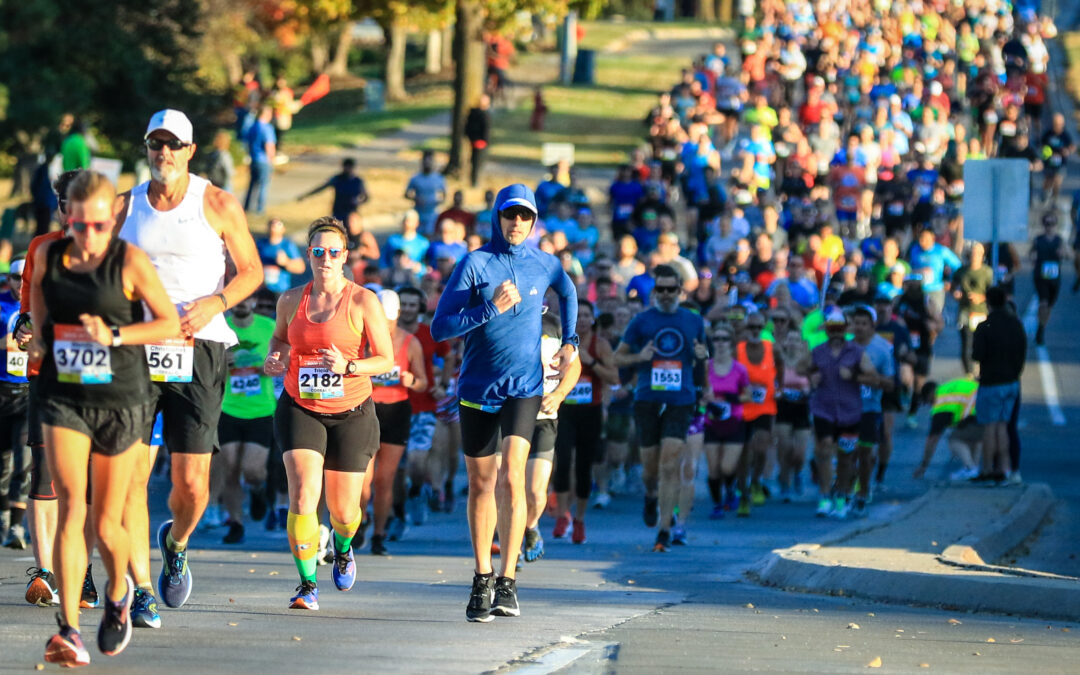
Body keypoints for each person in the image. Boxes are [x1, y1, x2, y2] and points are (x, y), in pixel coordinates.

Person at [28, 171, 180, 666]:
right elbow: (42, 324)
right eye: (78, 225)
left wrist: (112, 335)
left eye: (97, 224)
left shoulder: (128, 260)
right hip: (64, 395)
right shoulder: (48, 256)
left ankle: (119, 593)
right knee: (73, 509)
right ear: (65, 217)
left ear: (112, 217)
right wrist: (42, 343)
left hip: (122, 399)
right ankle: (69, 629)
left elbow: (168, 322)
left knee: (105, 521)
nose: (88, 235)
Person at [116, 109, 263, 616]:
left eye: (174, 144)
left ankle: (175, 545)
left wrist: (215, 303)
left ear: (190, 151)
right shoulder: (125, 206)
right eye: (156, 143)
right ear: (147, 147)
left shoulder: (217, 202)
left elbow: (251, 272)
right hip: (138, 347)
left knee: (192, 485)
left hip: (200, 347)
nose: (164, 153)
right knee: (133, 476)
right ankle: (141, 591)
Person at [431, 183, 578, 622]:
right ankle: (481, 577)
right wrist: (489, 309)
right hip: (477, 388)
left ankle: (508, 581)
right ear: (497, 217)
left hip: (524, 387)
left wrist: (570, 341)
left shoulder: (544, 263)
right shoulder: (476, 263)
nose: (517, 223)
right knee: (481, 483)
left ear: (534, 222)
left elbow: (568, 292)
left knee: (514, 477)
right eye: (510, 215)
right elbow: (441, 327)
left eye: (525, 217)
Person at [262, 217, 394, 610]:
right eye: (318, 252)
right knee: (303, 493)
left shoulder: (362, 300)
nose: (325, 259)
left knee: (344, 510)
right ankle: (306, 584)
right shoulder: (290, 300)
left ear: (345, 257)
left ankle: (343, 545)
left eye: (333, 252)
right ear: (308, 256)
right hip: (301, 406)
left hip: (352, 411)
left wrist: (349, 367)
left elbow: (384, 359)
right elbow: (279, 339)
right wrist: (275, 357)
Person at [613, 264, 707, 551]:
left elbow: (701, 356)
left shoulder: (694, 320)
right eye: (661, 289)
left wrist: (702, 357)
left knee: (671, 463)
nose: (666, 294)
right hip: (647, 398)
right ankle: (650, 495)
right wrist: (640, 356)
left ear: (680, 291)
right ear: (655, 291)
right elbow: (618, 358)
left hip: (681, 398)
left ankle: (665, 528)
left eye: (671, 289)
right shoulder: (641, 321)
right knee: (651, 468)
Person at [362, 289, 426, 555]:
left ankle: (379, 534)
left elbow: (423, 382)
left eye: (388, 321)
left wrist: (413, 381)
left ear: (397, 315)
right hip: (367, 410)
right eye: (380, 320)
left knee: (384, 480)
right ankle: (357, 525)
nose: (384, 327)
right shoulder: (364, 339)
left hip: (396, 411)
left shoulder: (410, 343)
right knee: (362, 479)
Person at [551, 300, 616, 544]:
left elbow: (613, 376)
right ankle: (561, 515)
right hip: (565, 409)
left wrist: (590, 361)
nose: (583, 320)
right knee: (564, 461)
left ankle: (579, 518)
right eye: (579, 315)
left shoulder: (600, 345)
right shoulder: (561, 344)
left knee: (583, 466)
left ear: (593, 319)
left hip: (591, 411)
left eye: (587, 315)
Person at [800, 308, 875, 519]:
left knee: (846, 456)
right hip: (823, 408)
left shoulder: (857, 352)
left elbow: (873, 378)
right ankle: (824, 496)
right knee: (823, 449)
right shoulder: (818, 351)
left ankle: (842, 496)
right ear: (826, 329)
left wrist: (854, 376)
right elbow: (802, 368)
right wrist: (811, 376)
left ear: (846, 329)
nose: (835, 333)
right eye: (832, 328)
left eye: (839, 328)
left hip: (850, 412)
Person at [216, 293, 277, 543]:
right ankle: (236, 523)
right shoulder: (220, 328)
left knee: (252, 471)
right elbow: (204, 363)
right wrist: (221, 361)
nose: (241, 303)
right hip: (228, 408)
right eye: (237, 299)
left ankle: (258, 490)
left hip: (260, 410)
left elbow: (285, 357)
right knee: (230, 469)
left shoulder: (269, 327)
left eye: (246, 299)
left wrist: (270, 365)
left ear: (253, 302)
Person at [522, 309, 581, 562]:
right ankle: (511, 548)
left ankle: (531, 526)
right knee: (508, 485)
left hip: (544, 419)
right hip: (509, 414)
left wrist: (558, 395)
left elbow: (575, 366)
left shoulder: (554, 323)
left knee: (536, 492)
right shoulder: (504, 314)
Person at [397, 286, 450, 526]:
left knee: (418, 462)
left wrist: (444, 384)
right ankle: (396, 513)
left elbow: (448, 355)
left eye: (411, 304)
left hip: (423, 406)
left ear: (419, 308)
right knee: (395, 470)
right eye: (403, 304)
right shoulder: (386, 333)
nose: (407, 309)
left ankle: (417, 491)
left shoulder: (428, 333)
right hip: (391, 406)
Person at [972, 286, 1026, 483]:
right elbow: (1022, 352)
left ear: (988, 303)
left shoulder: (985, 326)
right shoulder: (1016, 325)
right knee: (1004, 426)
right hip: (1011, 382)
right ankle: (1004, 468)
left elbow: (977, 355)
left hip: (991, 383)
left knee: (989, 427)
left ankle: (987, 469)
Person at [849, 306, 894, 517]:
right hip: (846, 409)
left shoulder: (882, 349)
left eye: (864, 324)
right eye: (856, 323)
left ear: (872, 326)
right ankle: (847, 489)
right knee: (848, 452)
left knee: (865, 454)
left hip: (870, 409)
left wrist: (864, 379)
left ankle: (863, 491)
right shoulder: (845, 347)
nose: (859, 327)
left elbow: (890, 384)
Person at [702, 325, 750, 519]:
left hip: (734, 423)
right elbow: (700, 392)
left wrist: (732, 399)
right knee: (713, 469)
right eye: (716, 339)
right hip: (711, 423)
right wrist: (709, 402)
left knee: (727, 467)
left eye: (724, 339)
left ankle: (731, 489)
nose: (720, 343)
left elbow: (748, 395)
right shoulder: (707, 367)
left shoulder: (739, 369)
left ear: (731, 344)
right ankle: (717, 504)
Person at [735, 312, 779, 517]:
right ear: (746, 328)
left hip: (765, 406)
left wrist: (779, 385)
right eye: (751, 327)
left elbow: (782, 365)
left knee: (760, 447)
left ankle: (756, 481)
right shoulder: (739, 349)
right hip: (743, 407)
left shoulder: (771, 348)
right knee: (743, 453)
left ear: (763, 329)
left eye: (758, 327)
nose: (754, 331)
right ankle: (743, 494)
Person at [912, 378, 982, 481]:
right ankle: (974, 469)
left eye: (928, 402)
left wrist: (924, 465)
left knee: (953, 440)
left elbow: (932, 440)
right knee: (974, 437)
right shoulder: (947, 389)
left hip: (978, 411)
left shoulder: (941, 403)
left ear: (930, 395)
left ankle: (970, 468)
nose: (930, 405)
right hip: (987, 405)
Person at [299, 158, 369, 234]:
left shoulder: (358, 181)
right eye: (346, 167)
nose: (348, 169)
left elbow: (366, 197)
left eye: (350, 167)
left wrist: (358, 201)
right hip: (338, 212)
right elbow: (322, 187)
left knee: (354, 234)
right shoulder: (337, 179)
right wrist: (306, 195)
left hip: (352, 213)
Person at [954, 242, 993, 374]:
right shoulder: (961, 271)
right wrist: (955, 293)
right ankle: (969, 374)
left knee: (982, 344)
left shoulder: (987, 272)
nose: (975, 256)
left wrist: (981, 297)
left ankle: (982, 371)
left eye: (978, 254)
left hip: (981, 313)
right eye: (973, 253)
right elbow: (953, 286)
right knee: (966, 345)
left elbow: (994, 293)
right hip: (965, 311)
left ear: (983, 255)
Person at [1031, 212, 1068, 346]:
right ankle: (1040, 332)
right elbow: (1031, 254)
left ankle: (1042, 325)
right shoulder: (1038, 240)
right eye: (1047, 224)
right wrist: (1033, 256)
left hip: (1054, 278)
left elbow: (1067, 255)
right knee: (1044, 303)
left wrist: (1063, 253)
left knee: (1049, 305)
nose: (1049, 227)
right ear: (1043, 225)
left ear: (1055, 225)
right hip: (1041, 277)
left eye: (1052, 224)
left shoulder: (1059, 240)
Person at [256, 218, 306, 296]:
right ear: (267, 227)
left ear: (283, 229)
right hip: (260, 288)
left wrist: (286, 262)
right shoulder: (260, 244)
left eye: (278, 224)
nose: (274, 226)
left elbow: (300, 268)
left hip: (279, 290)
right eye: (272, 223)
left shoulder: (287, 245)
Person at [243, 105, 277, 215]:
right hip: (264, 160)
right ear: (266, 114)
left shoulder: (253, 126)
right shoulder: (267, 128)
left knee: (252, 184)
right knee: (263, 185)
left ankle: (247, 206)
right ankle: (260, 209)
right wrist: (271, 161)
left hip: (254, 159)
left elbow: (247, 143)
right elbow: (269, 145)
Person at [405, 151, 447, 236]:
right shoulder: (415, 178)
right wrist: (416, 198)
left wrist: (438, 201)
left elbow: (444, 195)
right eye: (425, 162)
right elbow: (406, 194)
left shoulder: (439, 178)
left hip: (432, 214)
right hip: (418, 212)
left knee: (430, 236)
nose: (427, 164)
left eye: (430, 161)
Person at [465, 95, 491, 187]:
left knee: (475, 163)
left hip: (475, 141)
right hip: (480, 143)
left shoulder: (473, 113)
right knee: (477, 163)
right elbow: (486, 130)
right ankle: (475, 181)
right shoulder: (483, 115)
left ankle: (474, 180)